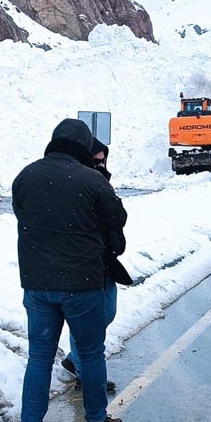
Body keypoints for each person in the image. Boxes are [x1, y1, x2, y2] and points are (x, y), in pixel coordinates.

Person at [12, 119, 127, 422]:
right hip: (82, 285)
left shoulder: (25, 176)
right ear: (84, 146)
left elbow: (23, 216)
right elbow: (117, 219)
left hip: (37, 285)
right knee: (90, 355)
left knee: (39, 358)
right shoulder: (91, 180)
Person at [62, 139, 133, 393]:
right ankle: (84, 371)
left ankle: (74, 358)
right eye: (96, 161)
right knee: (84, 319)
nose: (101, 165)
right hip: (84, 263)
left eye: (103, 160)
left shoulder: (101, 182)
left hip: (104, 260)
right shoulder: (79, 183)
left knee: (107, 313)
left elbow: (117, 216)